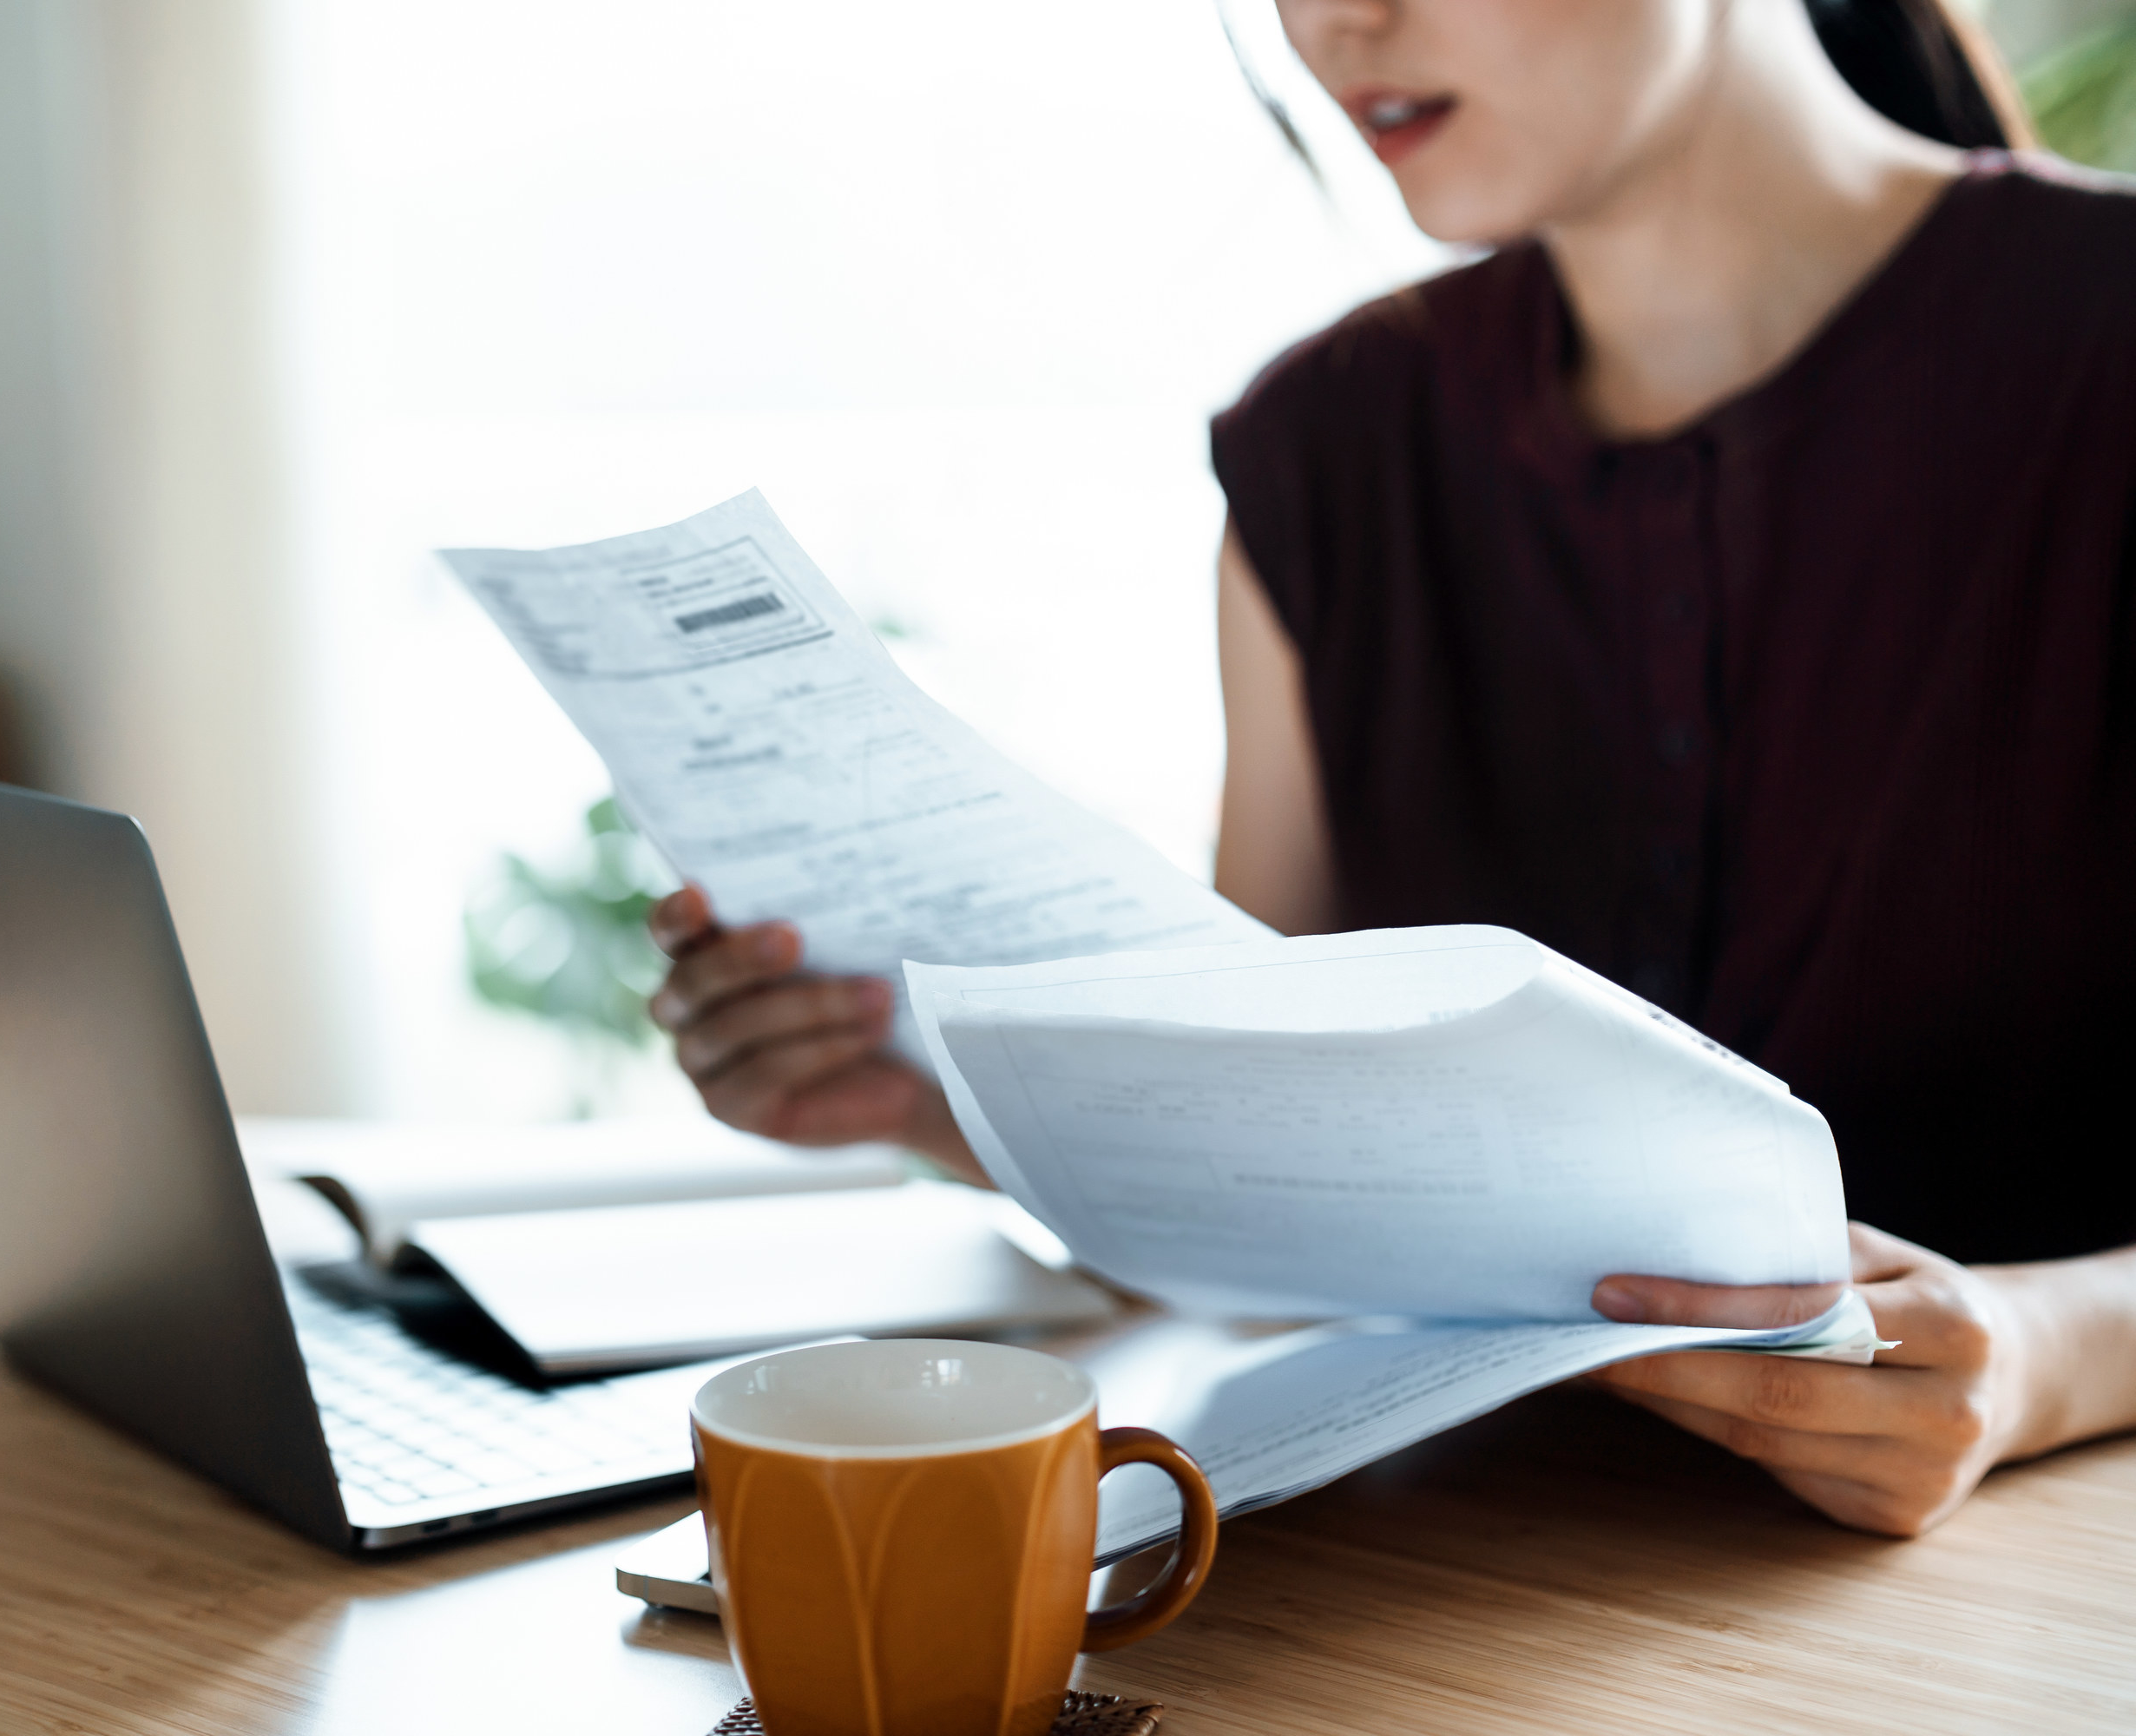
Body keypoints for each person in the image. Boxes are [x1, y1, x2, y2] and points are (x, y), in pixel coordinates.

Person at [644, 0, 2136, 1538]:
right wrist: (920, 1099)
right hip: (1440, 1591)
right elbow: (1289, 1168)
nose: (1339, 21)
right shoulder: (1322, 453)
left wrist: (2040, 1357)